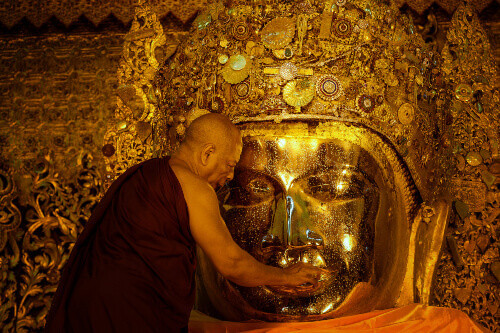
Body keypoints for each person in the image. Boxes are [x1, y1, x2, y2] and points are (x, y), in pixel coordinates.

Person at [44, 113, 325, 333]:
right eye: (230, 165)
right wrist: (286, 277)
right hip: (129, 309)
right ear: (207, 153)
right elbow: (231, 262)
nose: (229, 176)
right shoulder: (193, 186)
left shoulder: (145, 174)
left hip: (92, 302)